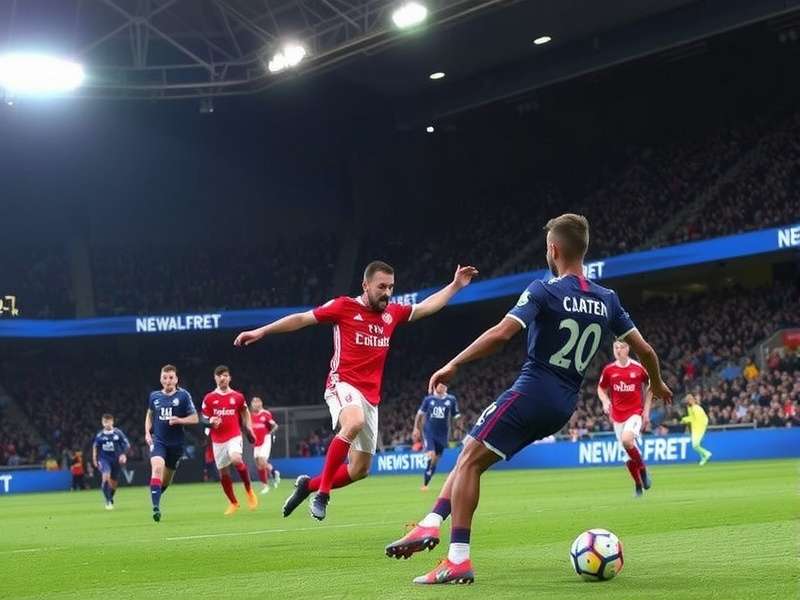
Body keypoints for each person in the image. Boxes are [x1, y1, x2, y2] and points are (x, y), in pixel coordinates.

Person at [384, 213, 672, 584]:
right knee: (471, 450)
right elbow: (646, 351)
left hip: (532, 391)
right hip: (564, 405)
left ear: (553, 249)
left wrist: (454, 363)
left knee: (469, 461)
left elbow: (502, 334)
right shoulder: (607, 299)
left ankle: (457, 559)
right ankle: (429, 524)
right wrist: (659, 384)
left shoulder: (544, 289)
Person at [234, 260, 478, 521]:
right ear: (365, 285)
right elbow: (302, 318)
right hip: (342, 383)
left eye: (391, 287)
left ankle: (309, 486)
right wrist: (262, 331)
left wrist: (455, 286)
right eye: (381, 286)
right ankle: (323, 495)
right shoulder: (344, 306)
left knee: (359, 470)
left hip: (371, 397)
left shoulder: (392, 313)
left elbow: (427, 307)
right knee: (354, 422)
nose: (387, 292)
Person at [597, 340, 652, 497]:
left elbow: (651, 386)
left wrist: (646, 411)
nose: (618, 350)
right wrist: (605, 400)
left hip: (635, 413)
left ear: (628, 348)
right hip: (617, 417)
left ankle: (643, 470)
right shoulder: (609, 370)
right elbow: (601, 388)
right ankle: (638, 485)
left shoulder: (638, 368)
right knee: (627, 458)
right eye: (615, 347)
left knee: (627, 441)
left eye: (621, 347)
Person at [201, 365, 258, 515]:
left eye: (225, 375)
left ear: (229, 378)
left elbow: (245, 412)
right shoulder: (209, 398)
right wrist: (211, 421)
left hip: (234, 435)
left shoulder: (238, 397)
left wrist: (249, 427)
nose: (222, 378)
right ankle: (233, 502)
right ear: (215, 378)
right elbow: (203, 418)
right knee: (223, 473)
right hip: (217, 440)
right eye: (219, 375)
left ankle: (249, 491)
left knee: (236, 459)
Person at [145, 364, 198, 522]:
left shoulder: (183, 396)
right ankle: (155, 508)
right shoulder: (154, 396)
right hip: (158, 441)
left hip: (176, 445)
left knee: (165, 481)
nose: (167, 381)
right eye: (165, 378)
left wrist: (179, 420)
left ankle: (157, 495)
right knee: (157, 468)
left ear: (176, 379)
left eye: (171, 378)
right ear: (161, 379)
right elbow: (149, 415)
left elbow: (195, 418)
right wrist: (147, 433)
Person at [412, 383, 461, 490]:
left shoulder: (451, 400)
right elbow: (419, 414)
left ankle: (427, 478)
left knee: (436, 460)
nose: (443, 387)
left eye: (444, 385)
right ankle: (428, 469)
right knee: (432, 454)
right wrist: (416, 428)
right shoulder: (428, 400)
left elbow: (456, 415)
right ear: (435, 387)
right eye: (440, 385)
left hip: (443, 434)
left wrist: (458, 428)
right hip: (429, 431)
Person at [91, 414, 130, 509]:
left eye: (108, 421)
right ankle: (108, 501)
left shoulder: (118, 433)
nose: (107, 424)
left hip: (116, 460)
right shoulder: (100, 435)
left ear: (112, 422)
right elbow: (95, 447)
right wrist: (95, 458)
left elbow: (127, 445)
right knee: (105, 477)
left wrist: (123, 454)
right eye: (105, 422)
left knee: (114, 483)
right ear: (102, 423)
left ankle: (110, 497)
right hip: (104, 459)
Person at [250, 396, 280, 494]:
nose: (255, 404)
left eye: (257, 402)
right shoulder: (251, 416)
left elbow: (275, 425)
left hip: (265, 440)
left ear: (261, 403)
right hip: (256, 441)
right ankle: (273, 472)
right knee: (258, 464)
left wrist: (269, 433)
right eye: (253, 402)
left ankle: (266, 486)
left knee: (262, 460)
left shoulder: (265, 414)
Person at [681, 394, 712, 465]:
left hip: (699, 428)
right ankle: (703, 458)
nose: (687, 402)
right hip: (695, 428)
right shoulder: (690, 408)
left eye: (687, 401)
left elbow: (697, 419)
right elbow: (692, 417)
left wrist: (685, 419)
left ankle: (707, 454)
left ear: (691, 400)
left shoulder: (696, 408)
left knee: (695, 445)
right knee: (696, 445)